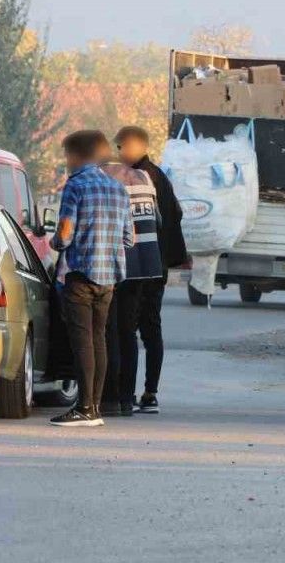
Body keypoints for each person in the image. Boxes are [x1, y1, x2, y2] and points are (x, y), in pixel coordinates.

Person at [49, 130, 134, 427]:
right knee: (99, 339)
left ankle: (84, 407)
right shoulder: (118, 188)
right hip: (109, 278)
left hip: (80, 275)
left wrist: (55, 244)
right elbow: (129, 238)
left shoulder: (75, 186)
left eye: (66, 156)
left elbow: (64, 233)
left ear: (75, 155)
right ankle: (94, 405)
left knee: (81, 341)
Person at [114, 125, 185, 414]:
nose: (118, 154)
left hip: (137, 265)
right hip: (158, 266)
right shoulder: (161, 176)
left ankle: (126, 394)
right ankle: (150, 392)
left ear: (132, 147)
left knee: (128, 328)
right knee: (152, 329)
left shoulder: (136, 178)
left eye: (119, 148)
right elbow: (176, 214)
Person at [95, 132, 163, 418]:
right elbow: (157, 220)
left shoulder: (105, 179)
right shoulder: (145, 178)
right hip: (147, 264)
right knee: (129, 331)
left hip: (120, 262)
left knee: (111, 329)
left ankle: (111, 398)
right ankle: (126, 398)